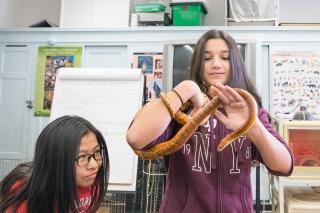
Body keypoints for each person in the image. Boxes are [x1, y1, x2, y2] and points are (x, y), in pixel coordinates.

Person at [126, 29, 293, 213]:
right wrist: (185, 89)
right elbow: (135, 137)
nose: (215, 64)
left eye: (224, 57)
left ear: (236, 63)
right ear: (198, 64)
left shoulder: (250, 111)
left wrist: (252, 126)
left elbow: (284, 166)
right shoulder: (179, 109)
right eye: (207, 58)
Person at [0, 115, 109, 213]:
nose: (94, 165)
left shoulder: (89, 183)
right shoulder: (27, 202)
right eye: (83, 157)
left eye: (97, 152)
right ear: (57, 162)